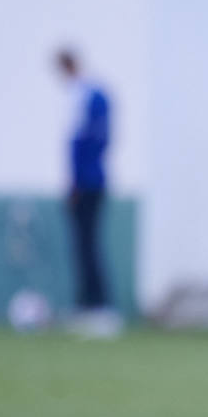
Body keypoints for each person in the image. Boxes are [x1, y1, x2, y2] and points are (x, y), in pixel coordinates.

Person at [53, 47, 121, 338]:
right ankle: (87, 305)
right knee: (83, 245)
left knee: (87, 244)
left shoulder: (87, 96)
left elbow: (84, 144)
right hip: (91, 181)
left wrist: (76, 183)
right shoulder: (92, 95)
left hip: (89, 183)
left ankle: (99, 307)